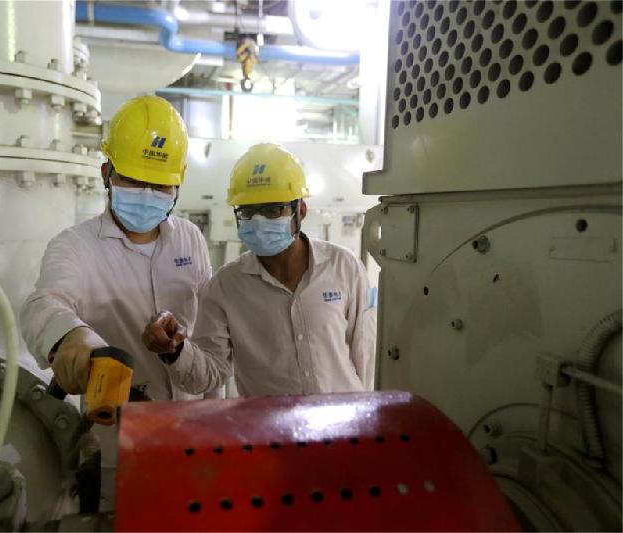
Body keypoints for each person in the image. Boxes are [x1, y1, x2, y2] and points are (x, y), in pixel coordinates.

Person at [20, 95, 217, 508]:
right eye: (133, 180)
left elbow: (208, 330)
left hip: (194, 427)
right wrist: (71, 335)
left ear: (178, 184)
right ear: (106, 173)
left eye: (160, 185)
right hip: (117, 437)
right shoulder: (75, 247)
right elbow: (45, 303)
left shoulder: (190, 240)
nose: (147, 194)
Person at [142, 142, 376, 397]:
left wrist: (363, 408)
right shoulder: (226, 287)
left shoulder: (343, 266)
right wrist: (176, 351)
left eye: (272, 209)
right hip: (270, 422)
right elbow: (210, 373)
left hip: (342, 417)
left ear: (301, 211)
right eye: (247, 211)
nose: (258, 220)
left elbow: (365, 354)